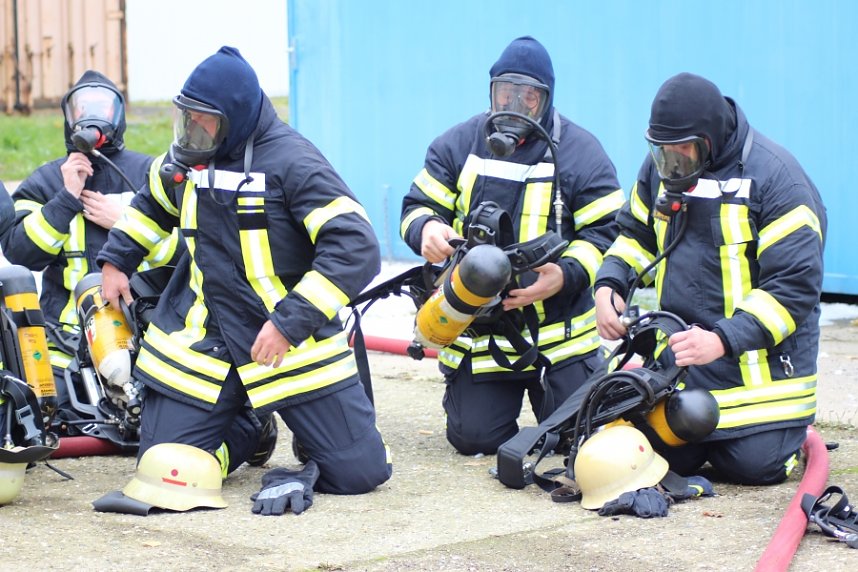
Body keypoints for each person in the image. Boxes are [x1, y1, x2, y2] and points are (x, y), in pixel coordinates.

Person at [96, 46, 391, 511]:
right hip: (204, 346)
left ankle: (273, 415)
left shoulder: (295, 163)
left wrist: (289, 323)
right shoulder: (191, 156)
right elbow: (153, 201)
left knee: (359, 473)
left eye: (203, 119)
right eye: (185, 117)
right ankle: (250, 426)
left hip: (285, 344)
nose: (191, 129)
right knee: (161, 464)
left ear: (233, 118)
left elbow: (356, 247)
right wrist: (116, 261)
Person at [594, 72, 827, 485]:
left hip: (762, 378)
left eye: (684, 150)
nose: (672, 162)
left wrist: (721, 339)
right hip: (686, 361)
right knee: (660, 458)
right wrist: (610, 284)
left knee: (751, 468)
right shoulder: (662, 166)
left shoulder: (778, 180)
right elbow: (635, 235)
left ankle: (788, 442)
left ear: (711, 138)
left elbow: (794, 287)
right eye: (662, 151)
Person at [400, 36, 624, 455]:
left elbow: (610, 234)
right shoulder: (458, 143)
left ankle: (569, 390)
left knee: (578, 440)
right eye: (505, 93)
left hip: (558, 337)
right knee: (474, 440)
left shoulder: (580, 153)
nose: (515, 105)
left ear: (546, 98)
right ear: (492, 91)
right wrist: (427, 229)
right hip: (482, 336)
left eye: (528, 97)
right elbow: (417, 205)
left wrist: (564, 275)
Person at [0, 71, 179, 430]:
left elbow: (191, 252)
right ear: (69, 117)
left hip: (144, 335)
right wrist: (65, 199)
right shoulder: (48, 180)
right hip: (65, 343)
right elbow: (20, 251)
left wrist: (128, 225)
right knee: (34, 413)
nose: (93, 117)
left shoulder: (151, 174)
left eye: (103, 108)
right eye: (83, 108)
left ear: (119, 114)